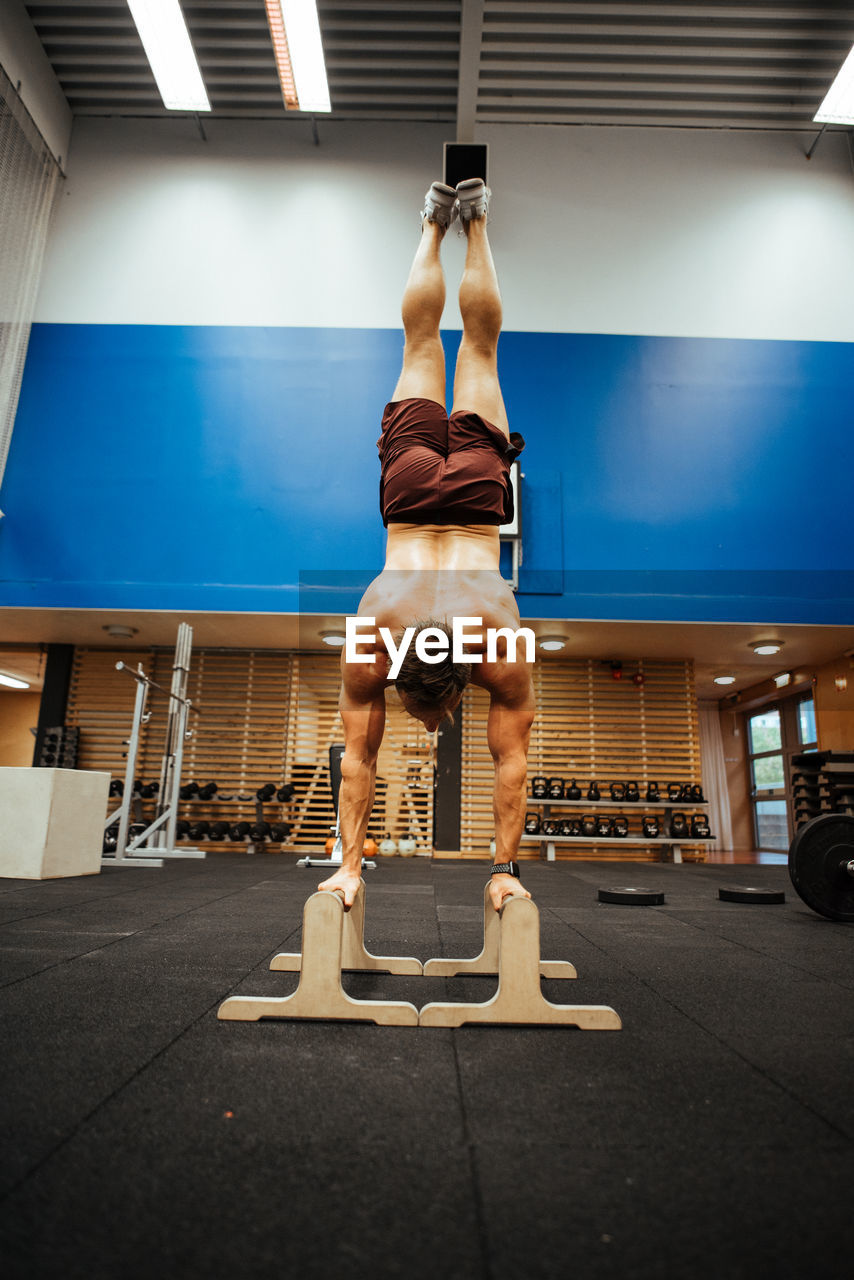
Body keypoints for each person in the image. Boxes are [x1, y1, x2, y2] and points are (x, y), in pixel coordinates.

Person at [319, 178, 535, 912]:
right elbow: (364, 758)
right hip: (409, 499)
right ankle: (432, 220)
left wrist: (352, 869)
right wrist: (501, 870)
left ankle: (472, 221)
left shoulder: (500, 646)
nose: (431, 724)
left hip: (476, 502)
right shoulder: (375, 637)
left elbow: (362, 759)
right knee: (420, 346)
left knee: (480, 350)